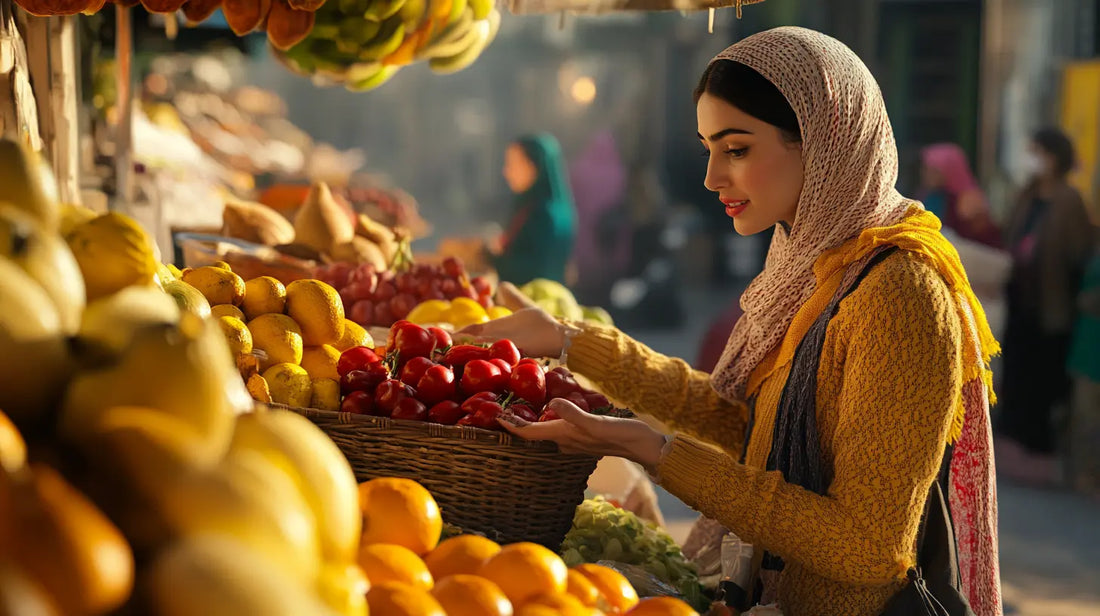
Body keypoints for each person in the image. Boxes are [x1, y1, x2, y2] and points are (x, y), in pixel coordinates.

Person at [461, 27, 1002, 616]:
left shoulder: (898, 294)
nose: (711, 178)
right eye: (708, 150)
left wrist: (658, 452)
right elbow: (740, 419)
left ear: (823, 144)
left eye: (737, 149)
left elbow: (869, 549)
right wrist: (569, 341)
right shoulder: (814, 265)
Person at [995, 128, 1094, 484]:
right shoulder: (1027, 195)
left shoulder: (1069, 200)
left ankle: (1040, 461)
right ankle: (1015, 456)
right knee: (1018, 379)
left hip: (1052, 308)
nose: (1033, 158)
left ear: (1055, 157)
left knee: (1044, 382)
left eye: (1039, 151)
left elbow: (1078, 254)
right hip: (1020, 301)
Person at [487, 133, 578, 287]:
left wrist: (490, 257)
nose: (506, 172)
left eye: (513, 164)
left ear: (534, 166)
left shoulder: (546, 215)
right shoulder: (530, 205)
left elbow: (536, 271)